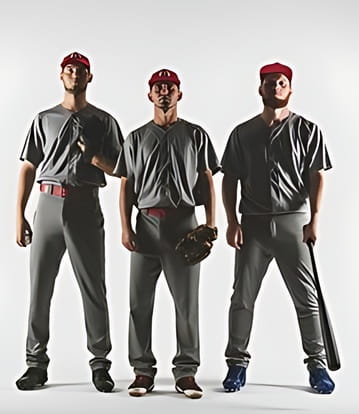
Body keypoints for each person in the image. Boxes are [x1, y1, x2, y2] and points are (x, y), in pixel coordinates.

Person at [220, 62, 336, 394]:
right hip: (253, 225)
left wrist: (314, 219)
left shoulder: (308, 130)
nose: (275, 88)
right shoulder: (242, 133)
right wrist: (232, 222)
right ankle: (236, 365)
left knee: (307, 299)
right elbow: (230, 179)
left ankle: (317, 365)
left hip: (292, 222)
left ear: (290, 88)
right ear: (260, 89)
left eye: (281, 82)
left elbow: (317, 175)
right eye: (269, 83)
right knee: (242, 298)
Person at [14, 52, 123, 393]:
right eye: (69, 69)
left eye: (81, 70)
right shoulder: (44, 119)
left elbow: (121, 168)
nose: (75, 74)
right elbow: (29, 165)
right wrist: (19, 214)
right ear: (61, 75)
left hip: (84, 202)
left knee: (93, 287)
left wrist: (93, 155)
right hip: (47, 202)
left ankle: (100, 364)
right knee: (40, 288)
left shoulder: (103, 121)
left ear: (90, 78)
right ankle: (35, 364)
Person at [114, 69, 219, 399]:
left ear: (179, 94)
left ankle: (186, 372)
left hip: (183, 223)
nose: (164, 92)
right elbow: (127, 184)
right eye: (158, 88)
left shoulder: (195, 135)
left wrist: (210, 224)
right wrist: (125, 226)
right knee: (138, 302)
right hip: (146, 224)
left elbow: (206, 179)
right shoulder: (135, 138)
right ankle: (142, 371)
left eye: (170, 87)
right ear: (149, 95)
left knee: (186, 303)